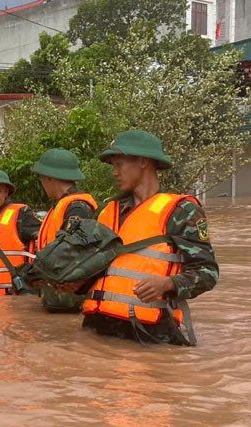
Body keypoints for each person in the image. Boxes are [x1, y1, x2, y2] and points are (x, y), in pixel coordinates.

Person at [73, 129, 218, 345]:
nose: (114, 173)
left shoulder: (181, 211)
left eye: (119, 165)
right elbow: (93, 267)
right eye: (113, 166)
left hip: (150, 334)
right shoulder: (107, 211)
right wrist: (75, 283)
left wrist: (167, 284)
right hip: (98, 328)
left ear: (142, 162)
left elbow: (207, 273)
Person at [21, 149, 99, 312]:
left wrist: (36, 271)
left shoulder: (77, 207)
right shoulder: (62, 206)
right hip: (58, 298)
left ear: (49, 177)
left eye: (41, 177)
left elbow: (72, 250)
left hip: (70, 301)